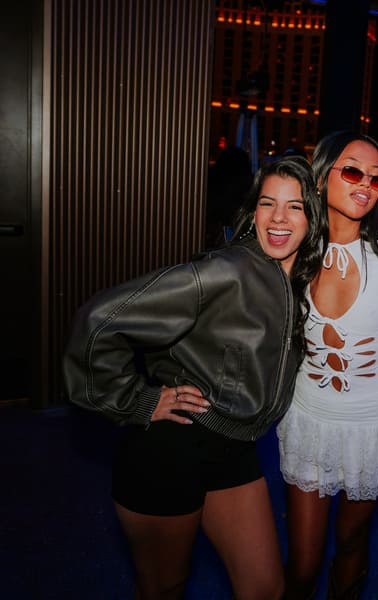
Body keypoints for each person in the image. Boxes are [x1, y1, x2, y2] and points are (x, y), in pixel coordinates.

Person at [62, 156, 326, 600]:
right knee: (164, 588)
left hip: (236, 450)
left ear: (311, 217)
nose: (279, 218)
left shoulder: (299, 279)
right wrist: (138, 399)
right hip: (171, 449)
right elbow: (99, 320)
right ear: (253, 211)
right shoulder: (224, 270)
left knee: (265, 588)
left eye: (295, 206)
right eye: (268, 203)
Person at [277, 132, 378, 600]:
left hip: (372, 422)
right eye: (353, 171)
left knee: (352, 543)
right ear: (321, 178)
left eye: (376, 178)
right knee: (303, 562)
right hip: (310, 417)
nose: (365, 185)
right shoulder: (292, 252)